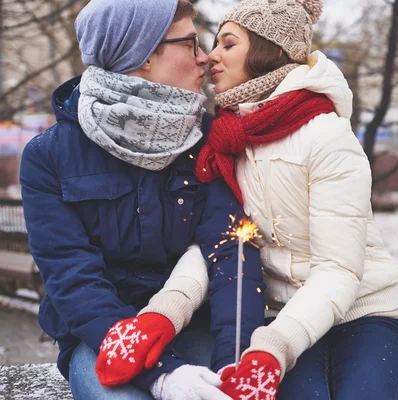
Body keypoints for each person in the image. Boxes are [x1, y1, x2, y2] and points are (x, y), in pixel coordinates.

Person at [136, 0, 398, 399]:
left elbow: (338, 269)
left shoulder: (326, 137)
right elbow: (220, 241)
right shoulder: (225, 141)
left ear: (268, 51)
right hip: (277, 318)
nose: (212, 55)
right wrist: (162, 314)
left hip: (362, 315)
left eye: (228, 44)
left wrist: (273, 348)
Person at [19, 1, 265, 399]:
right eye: (190, 43)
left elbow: (233, 250)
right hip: (105, 339)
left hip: (195, 326)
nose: (205, 58)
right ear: (145, 55)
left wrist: (236, 363)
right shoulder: (49, 157)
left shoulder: (208, 139)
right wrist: (164, 377)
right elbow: (74, 281)